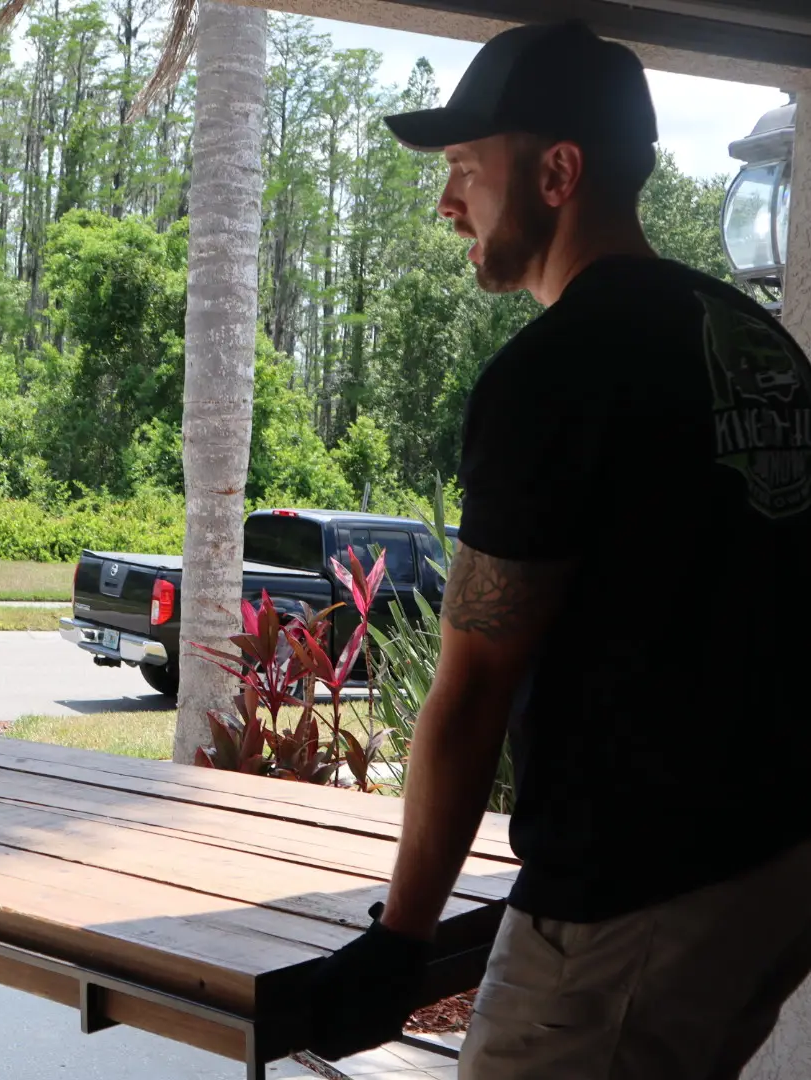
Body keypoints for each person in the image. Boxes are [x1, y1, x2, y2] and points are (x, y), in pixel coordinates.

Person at [293, 20, 811, 1080]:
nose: (448, 207)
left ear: (559, 171)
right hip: (774, 865)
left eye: (464, 171)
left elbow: (475, 685)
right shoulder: (750, 339)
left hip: (635, 891)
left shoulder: (554, 373)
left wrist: (401, 941)